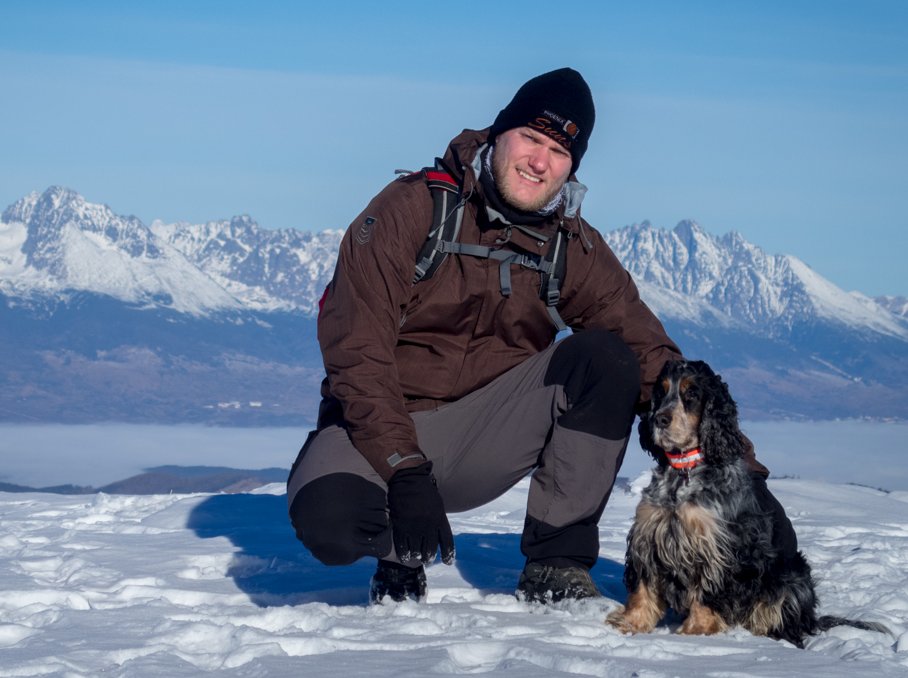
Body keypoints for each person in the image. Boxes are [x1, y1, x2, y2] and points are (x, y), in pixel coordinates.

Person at [286, 68, 793, 605]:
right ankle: (399, 555)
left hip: (485, 433)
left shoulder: (569, 246)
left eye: (558, 150)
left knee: (607, 359)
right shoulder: (410, 210)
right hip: (378, 430)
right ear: (499, 132)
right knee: (331, 522)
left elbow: (654, 358)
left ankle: (556, 563)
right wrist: (404, 468)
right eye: (530, 137)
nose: (539, 161)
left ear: (572, 166)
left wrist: (741, 474)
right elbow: (356, 352)